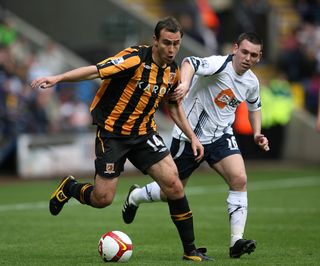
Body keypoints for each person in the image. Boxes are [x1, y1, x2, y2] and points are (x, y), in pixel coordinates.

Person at [31, 17, 213, 262]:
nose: (171, 49)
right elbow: (95, 70)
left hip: (144, 134)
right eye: (167, 43)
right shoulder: (134, 58)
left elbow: (174, 106)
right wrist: (58, 78)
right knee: (102, 199)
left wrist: (193, 137)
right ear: (155, 41)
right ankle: (70, 187)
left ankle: (190, 250)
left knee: (174, 185)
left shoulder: (172, 71)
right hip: (113, 134)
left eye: (176, 44)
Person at [122, 32, 270, 259]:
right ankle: (136, 196)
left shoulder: (251, 82)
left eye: (253, 55)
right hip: (189, 138)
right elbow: (189, 62)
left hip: (220, 137)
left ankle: (236, 241)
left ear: (259, 57)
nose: (247, 58)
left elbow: (254, 106)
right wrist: (184, 82)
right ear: (235, 48)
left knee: (239, 179)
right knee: (169, 191)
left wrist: (257, 133)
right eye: (244, 52)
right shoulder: (219, 65)